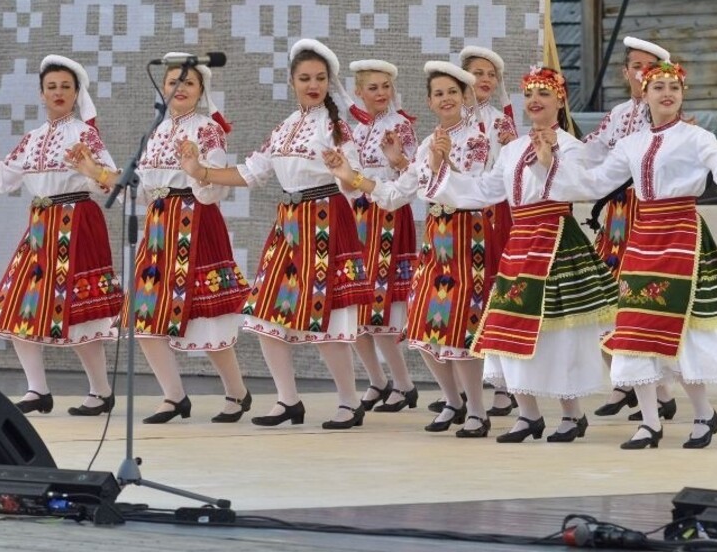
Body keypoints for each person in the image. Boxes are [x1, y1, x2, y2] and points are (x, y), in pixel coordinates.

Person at [543, 61, 717, 449]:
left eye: (673, 86)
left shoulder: (697, 137)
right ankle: (650, 423)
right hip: (643, 238)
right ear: (645, 93)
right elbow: (595, 181)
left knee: (684, 329)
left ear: (682, 94)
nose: (667, 93)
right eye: (658, 86)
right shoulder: (631, 143)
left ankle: (704, 413)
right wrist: (551, 164)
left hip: (682, 235)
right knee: (636, 326)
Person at [177, 39, 371, 430]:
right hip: (291, 222)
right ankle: (288, 400)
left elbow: (354, 183)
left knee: (328, 316)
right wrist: (200, 173)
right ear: (292, 81)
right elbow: (251, 171)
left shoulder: (337, 128)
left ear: (329, 81)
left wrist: (342, 169)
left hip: (327, 218)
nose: (312, 84)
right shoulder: (283, 127)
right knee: (265, 312)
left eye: (319, 78)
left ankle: (350, 402)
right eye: (304, 78)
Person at [426, 65, 617, 443]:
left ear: (560, 100)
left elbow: (582, 187)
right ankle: (528, 413)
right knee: (503, 329)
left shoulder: (572, 146)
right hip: (519, 245)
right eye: (529, 94)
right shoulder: (512, 149)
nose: (534, 102)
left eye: (544, 94)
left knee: (560, 334)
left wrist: (551, 162)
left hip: (558, 243)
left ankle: (571, 413)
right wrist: (441, 167)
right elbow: (484, 191)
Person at [0, 55, 123, 415]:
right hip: (42, 225)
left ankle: (100, 391)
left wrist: (91, 168)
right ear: (41, 94)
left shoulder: (85, 134)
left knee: (80, 311)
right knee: (17, 307)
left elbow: (111, 181)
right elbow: (1, 179)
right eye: (52, 87)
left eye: (66, 86)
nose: (59, 92)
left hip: (78, 221)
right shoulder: (32, 139)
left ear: (77, 93)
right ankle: (37, 391)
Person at [352, 61, 497, 438]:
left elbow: (475, 188)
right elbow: (394, 195)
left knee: (460, 325)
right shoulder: (431, 143)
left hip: (468, 235)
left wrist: (441, 164)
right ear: (430, 103)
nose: (446, 99)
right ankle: (453, 400)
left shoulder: (477, 139)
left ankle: (478, 410)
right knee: (423, 323)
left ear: (464, 97)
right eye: (438, 94)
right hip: (437, 236)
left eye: (452, 92)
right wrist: (351, 177)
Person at [126, 60, 252, 424]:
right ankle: (173, 396)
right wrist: (101, 177)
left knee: (207, 312)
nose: (180, 87)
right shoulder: (155, 131)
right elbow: (145, 189)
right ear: (162, 87)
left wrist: (196, 169)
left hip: (196, 219)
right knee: (146, 314)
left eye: (189, 82)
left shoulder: (208, 129)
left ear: (201, 89)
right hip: (159, 226)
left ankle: (237, 392)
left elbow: (214, 188)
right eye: (173, 81)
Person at [584, 37, 678, 423]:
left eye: (650, 67)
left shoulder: (672, 117)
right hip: (618, 216)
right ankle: (635, 388)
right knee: (606, 299)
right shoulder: (620, 113)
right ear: (625, 73)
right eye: (636, 66)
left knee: (645, 302)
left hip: (654, 216)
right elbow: (593, 150)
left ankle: (656, 391)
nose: (642, 73)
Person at [347, 59, 420, 413]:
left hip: (387, 217)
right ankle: (377, 380)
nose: (380, 93)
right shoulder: (352, 129)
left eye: (385, 86)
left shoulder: (401, 125)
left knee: (381, 308)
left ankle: (404, 384)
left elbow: (409, 175)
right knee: (354, 307)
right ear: (358, 92)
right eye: (372, 87)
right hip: (356, 218)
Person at [459, 45, 520, 416]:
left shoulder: (500, 122)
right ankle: (466, 388)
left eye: (490, 75)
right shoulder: (452, 120)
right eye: (477, 73)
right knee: (463, 298)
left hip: (494, 215)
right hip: (457, 217)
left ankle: (503, 385)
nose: (484, 80)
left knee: (494, 296)